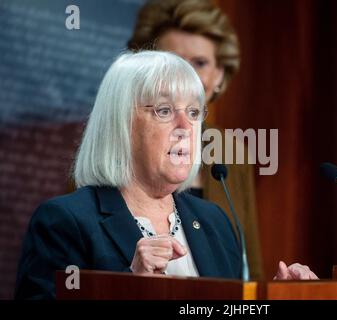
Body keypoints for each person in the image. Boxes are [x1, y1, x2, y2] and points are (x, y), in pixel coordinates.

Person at [14, 51, 317, 300]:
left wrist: (279, 295)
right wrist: (130, 287)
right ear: (122, 125)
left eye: (195, 112)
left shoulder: (215, 222)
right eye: (164, 110)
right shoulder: (63, 223)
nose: (187, 126)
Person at [127, 0, 265, 280]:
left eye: (199, 63)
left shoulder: (231, 152)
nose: (185, 76)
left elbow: (248, 263)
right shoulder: (119, 142)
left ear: (219, 77)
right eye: (172, 61)